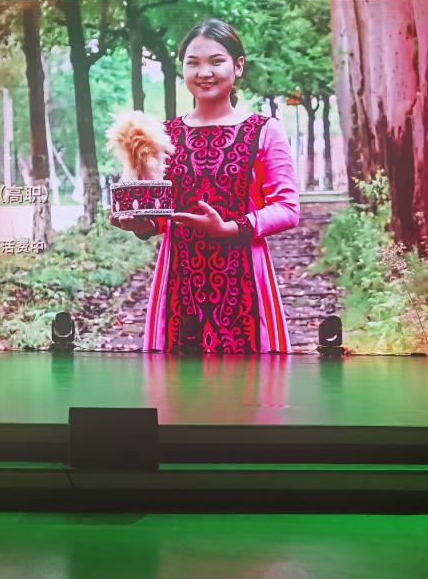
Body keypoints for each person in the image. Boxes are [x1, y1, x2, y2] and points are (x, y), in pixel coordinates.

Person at [111, 19, 299, 354]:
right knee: (179, 380)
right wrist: (142, 225)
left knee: (248, 381)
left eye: (216, 61)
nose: (204, 72)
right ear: (182, 69)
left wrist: (230, 228)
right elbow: (163, 213)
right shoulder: (164, 135)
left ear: (237, 66)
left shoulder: (264, 130)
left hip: (245, 272)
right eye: (193, 63)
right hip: (179, 276)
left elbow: (287, 208)